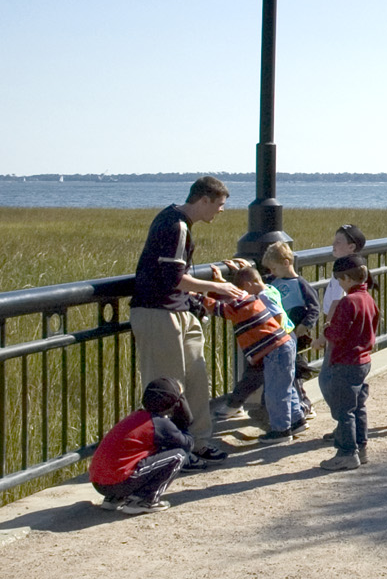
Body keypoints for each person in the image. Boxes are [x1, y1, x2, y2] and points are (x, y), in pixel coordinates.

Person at [127, 175, 242, 463]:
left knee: (196, 381)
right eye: (219, 204)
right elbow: (173, 278)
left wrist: (197, 300)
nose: (221, 210)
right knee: (168, 387)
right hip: (159, 313)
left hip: (180, 311)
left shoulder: (181, 224)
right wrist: (217, 287)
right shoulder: (174, 225)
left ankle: (197, 443)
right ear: (204, 200)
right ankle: (171, 452)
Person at [212, 241, 318, 424]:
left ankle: (295, 413)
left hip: (282, 338)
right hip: (279, 338)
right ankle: (291, 414)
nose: (271, 273)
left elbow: (314, 308)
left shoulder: (298, 284)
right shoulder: (271, 283)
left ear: (286, 263)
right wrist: (243, 271)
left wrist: (304, 326)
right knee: (283, 378)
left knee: (287, 377)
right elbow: (256, 284)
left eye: (273, 268)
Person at [203, 259, 304, 441]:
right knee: (285, 386)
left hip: (275, 349)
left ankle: (281, 430)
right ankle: (297, 420)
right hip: (285, 343)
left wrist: (196, 295)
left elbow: (217, 307)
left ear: (247, 286)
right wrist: (220, 283)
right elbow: (236, 294)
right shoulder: (255, 297)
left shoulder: (243, 306)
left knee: (274, 391)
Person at [89, 378, 196, 514]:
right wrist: (184, 417)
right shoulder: (160, 424)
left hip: (99, 483)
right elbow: (188, 444)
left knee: (146, 452)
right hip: (119, 483)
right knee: (178, 455)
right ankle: (143, 500)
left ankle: (114, 499)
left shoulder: (137, 417)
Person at [320, 254, 378, 471]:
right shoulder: (369, 299)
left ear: (346, 279)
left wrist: (326, 327)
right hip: (363, 359)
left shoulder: (347, 302)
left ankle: (346, 453)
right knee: (358, 406)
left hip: (345, 361)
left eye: (339, 280)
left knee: (344, 410)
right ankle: (361, 448)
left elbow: (336, 334)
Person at [319, 223, 367, 321]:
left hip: (337, 320)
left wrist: (327, 328)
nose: (333, 244)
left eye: (338, 242)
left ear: (351, 247)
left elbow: (336, 302)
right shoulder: (353, 268)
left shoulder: (343, 271)